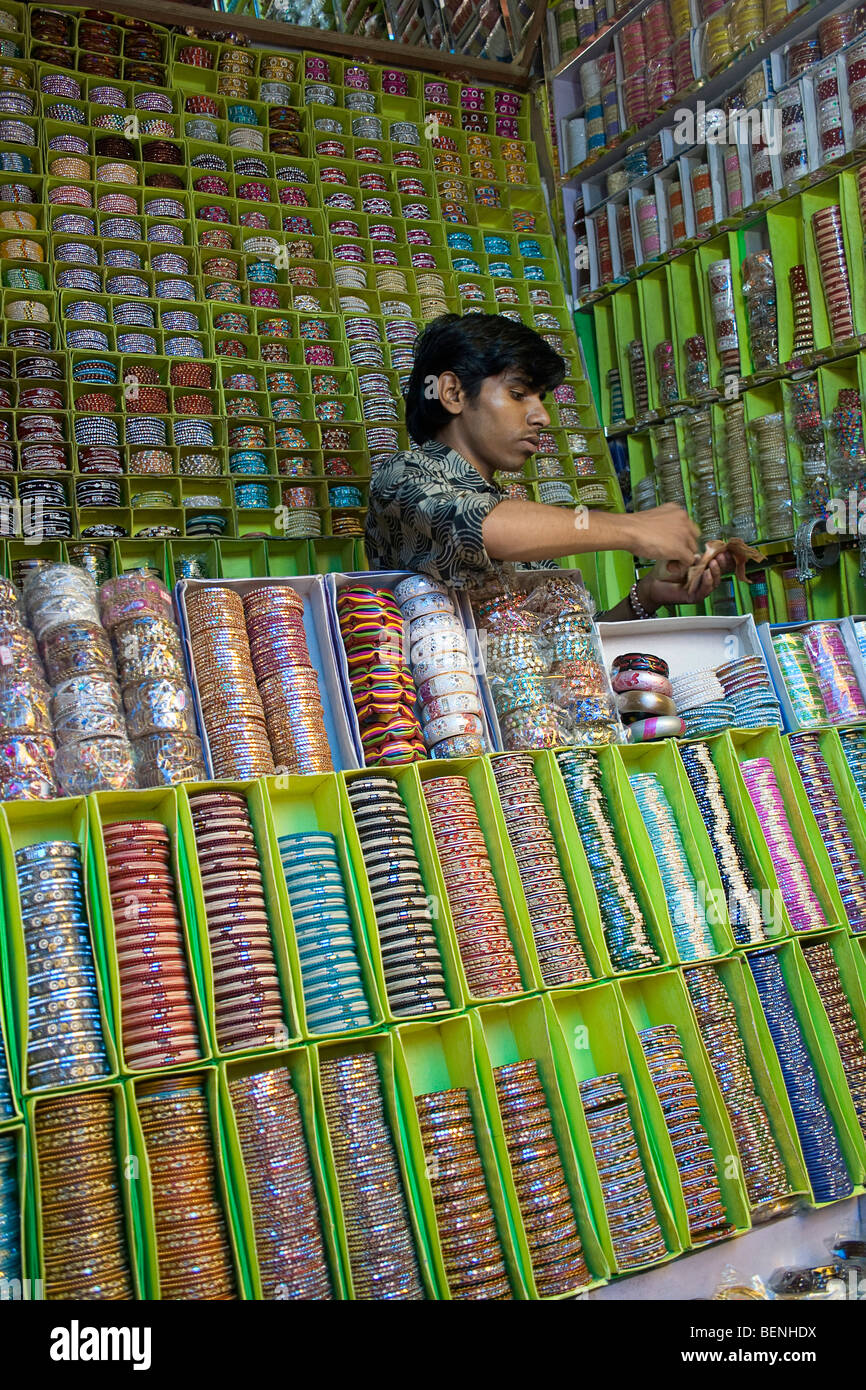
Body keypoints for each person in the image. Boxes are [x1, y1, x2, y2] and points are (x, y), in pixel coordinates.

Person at [366, 314, 734, 619]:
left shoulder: (518, 517)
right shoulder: (401, 477)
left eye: (541, 398)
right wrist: (632, 527)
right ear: (452, 393)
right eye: (517, 394)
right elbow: (477, 526)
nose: (542, 416)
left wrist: (648, 597)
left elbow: (567, 661)